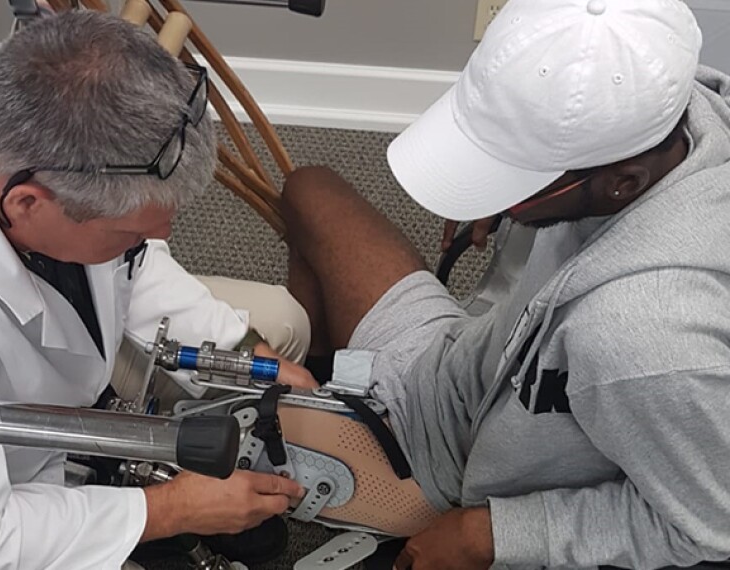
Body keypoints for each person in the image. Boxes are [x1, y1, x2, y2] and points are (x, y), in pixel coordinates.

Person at [278, 0, 730, 568]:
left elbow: (713, 523)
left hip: (458, 471)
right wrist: (507, 195)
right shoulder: (677, 109)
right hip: (461, 367)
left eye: (514, 179)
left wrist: (490, 534)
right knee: (309, 192)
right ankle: (325, 383)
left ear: (622, 183)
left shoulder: (641, 338)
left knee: (226, 446)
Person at [0, 11, 312, 569]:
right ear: (27, 204)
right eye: (132, 233)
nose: (158, 240)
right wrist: (168, 511)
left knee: (283, 321)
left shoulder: (5, 87)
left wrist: (241, 349)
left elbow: (134, 261)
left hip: (60, 389)